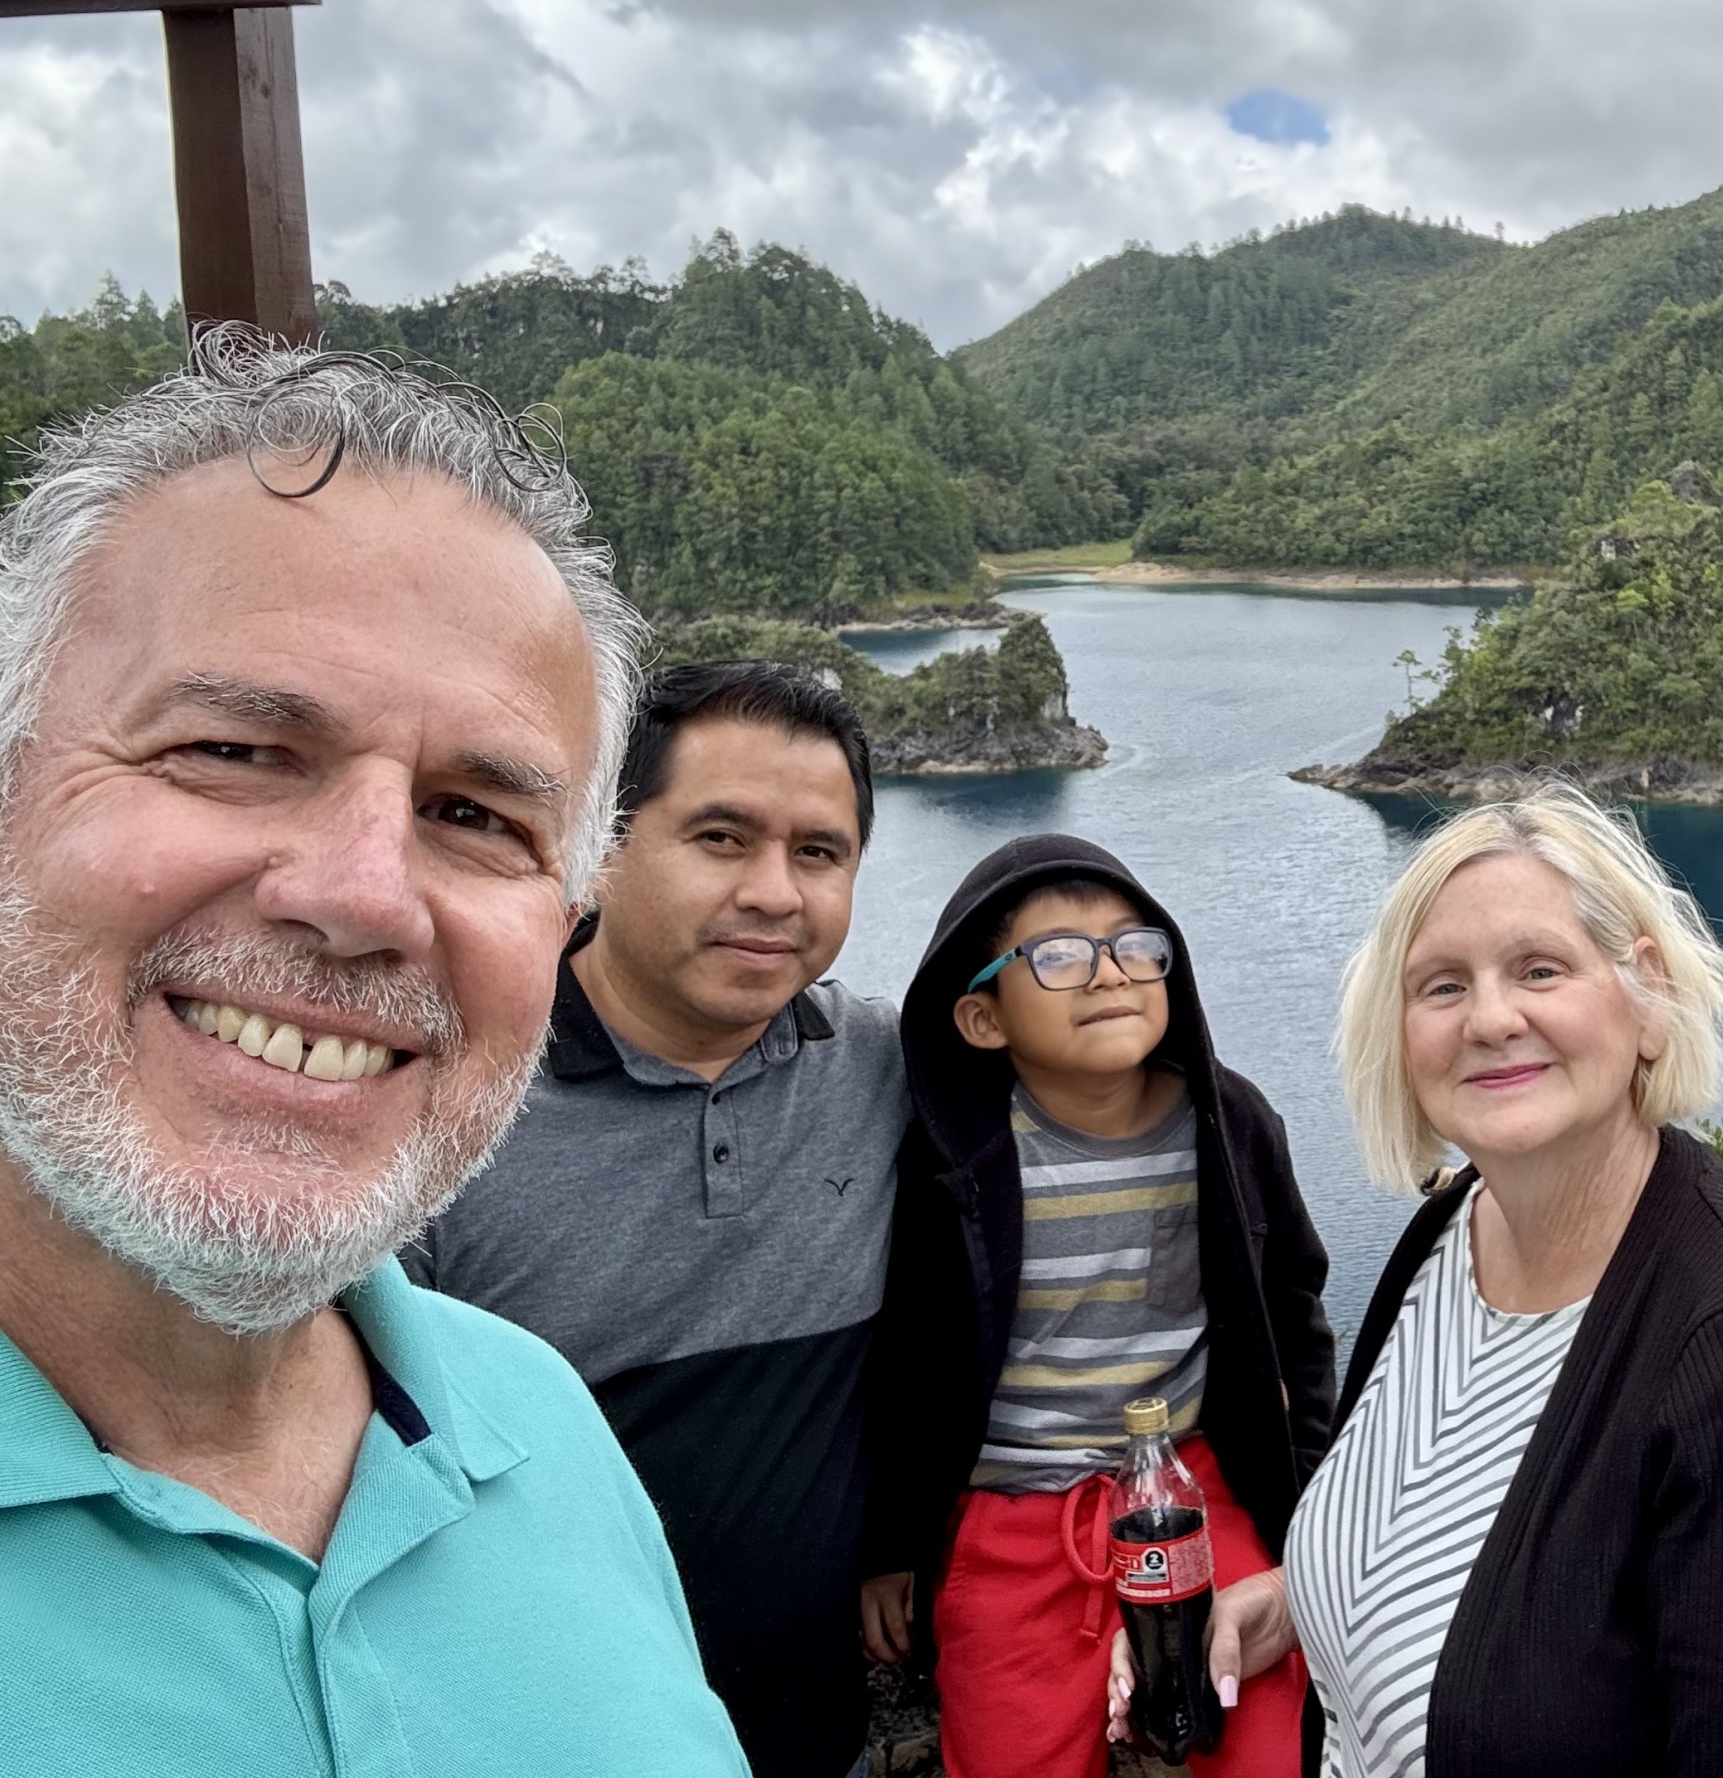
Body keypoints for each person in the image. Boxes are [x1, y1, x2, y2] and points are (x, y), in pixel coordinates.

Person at [0, 338, 747, 1773]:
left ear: (564, 920)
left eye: (477, 816)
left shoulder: (534, 1422)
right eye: (229, 749)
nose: (360, 896)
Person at [1115, 785, 1723, 1777]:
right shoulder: (1448, 1235)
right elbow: (1443, 1527)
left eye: (1540, 969)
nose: (1490, 1019)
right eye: (1441, 986)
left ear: (1644, 995)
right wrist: (1301, 1603)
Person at [406, 661, 905, 1778]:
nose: (776, 892)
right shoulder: (451, 1103)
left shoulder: (877, 1069)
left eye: (819, 853)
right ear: (604, 846)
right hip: (529, 1736)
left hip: (810, 1733)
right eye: (721, 838)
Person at [860, 835, 1334, 1778]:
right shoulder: (960, 1159)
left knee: (1264, 1727)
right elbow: (907, 1359)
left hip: (1192, 1482)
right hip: (1010, 1516)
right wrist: (885, 1547)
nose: (1110, 973)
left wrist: (1312, 1506)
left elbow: (1293, 1310)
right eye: (1060, 956)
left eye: (1135, 947)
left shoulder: (1227, 1124)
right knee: (1009, 1749)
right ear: (982, 1018)